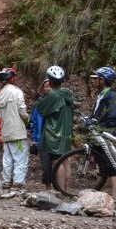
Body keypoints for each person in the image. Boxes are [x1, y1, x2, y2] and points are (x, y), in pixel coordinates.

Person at [35, 66, 74, 194]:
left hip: (54, 133)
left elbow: (40, 108)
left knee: (57, 162)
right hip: (67, 132)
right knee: (66, 161)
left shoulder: (53, 95)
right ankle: (67, 189)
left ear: (50, 80)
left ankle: (61, 190)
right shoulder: (67, 93)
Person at [90, 65, 116, 198]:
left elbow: (114, 116)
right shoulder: (101, 95)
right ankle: (98, 191)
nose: (94, 81)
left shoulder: (111, 95)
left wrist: (105, 129)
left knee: (110, 163)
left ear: (103, 80)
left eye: (96, 79)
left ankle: (115, 194)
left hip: (106, 134)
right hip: (99, 133)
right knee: (101, 162)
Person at [0, 67, 29, 188]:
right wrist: (28, 121)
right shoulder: (16, 91)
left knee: (7, 158)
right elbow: (22, 110)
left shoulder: (0, 95)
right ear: (12, 78)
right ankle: (18, 182)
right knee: (20, 157)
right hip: (17, 131)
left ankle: (6, 181)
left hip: (6, 131)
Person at [29, 79, 52, 188]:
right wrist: (33, 139)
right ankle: (48, 187)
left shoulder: (57, 102)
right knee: (45, 164)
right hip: (41, 137)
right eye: (46, 86)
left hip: (54, 137)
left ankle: (59, 187)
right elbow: (34, 121)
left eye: (49, 86)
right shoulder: (38, 103)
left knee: (57, 162)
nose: (47, 88)